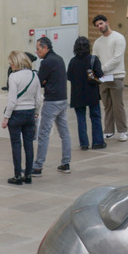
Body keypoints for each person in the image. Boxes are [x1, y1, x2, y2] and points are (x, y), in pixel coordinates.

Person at [31, 36, 72, 175]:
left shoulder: (47, 62)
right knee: (64, 133)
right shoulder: (59, 59)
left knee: (43, 134)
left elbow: (38, 81)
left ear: (45, 48)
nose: (36, 52)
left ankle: (37, 166)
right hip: (63, 100)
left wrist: (44, 82)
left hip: (52, 101)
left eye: (38, 49)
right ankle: (66, 163)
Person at [1, 51, 43, 184]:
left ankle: (17, 176)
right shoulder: (34, 75)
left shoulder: (13, 77)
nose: (10, 65)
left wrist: (6, 117)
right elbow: (38, 98)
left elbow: (12, 101)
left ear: (16, 62)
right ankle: (28, 175)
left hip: (16, 114)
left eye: (11, 62)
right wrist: (36, 111)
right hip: (30, 113)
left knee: (16, 145)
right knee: (29, 144)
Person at [92, 14, 128, 142]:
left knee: (118, 105)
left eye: (101, 24)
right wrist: (96, 73)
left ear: (107, 22)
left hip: (116, 76)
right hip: (103, 78)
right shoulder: (97, 42)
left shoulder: (118, 38)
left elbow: (117, 58)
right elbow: (94, 59)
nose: (99, 27)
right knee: (107, 106)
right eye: (97, 26)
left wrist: (102, 69)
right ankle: (108, 131)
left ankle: (123, 131)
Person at [67, 36, 105, 151]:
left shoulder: (73, 61)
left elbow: (68, 76)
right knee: (95, 117)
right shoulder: (93, 59)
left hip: (77, 94)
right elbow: (100, 73)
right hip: (91, 92)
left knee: (81, 119)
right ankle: (97, 142)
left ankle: (84, 143)